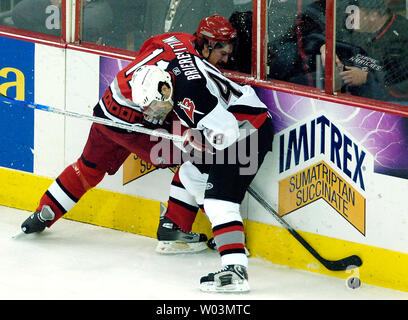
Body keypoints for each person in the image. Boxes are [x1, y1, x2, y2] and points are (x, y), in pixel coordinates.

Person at [20, 15, 238, 254]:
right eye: (222, 52)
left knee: (89, 167)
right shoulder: (193, 75)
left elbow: (144, 54)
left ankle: (43, 213)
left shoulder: (175, 38)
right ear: (206, 44)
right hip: (133, 124)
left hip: (108, 104)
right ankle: (178, 228)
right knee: (198, 159)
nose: (226, 59)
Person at [156, 39, 274, 291]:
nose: (157, 109)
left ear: (163, 88)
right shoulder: (170, 69)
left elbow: (227, 134)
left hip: (248, 131)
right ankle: (227, 237)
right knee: (191, 173)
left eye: (157, 103)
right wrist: (196, 132)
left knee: (220, 201)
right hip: (236, 123)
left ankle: (235, 270)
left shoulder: (190, 95)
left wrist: (200, 139)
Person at [320, 0, 408, 103]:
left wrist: (367, 77)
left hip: (385, 102)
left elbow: (401, 85)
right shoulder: (354, 24)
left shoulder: (402, 36)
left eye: (353, 13)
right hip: (349, 92)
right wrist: (326, 48)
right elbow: (333, 37)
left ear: (373, 16)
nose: (349, 19)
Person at [11, 0, 113, 42]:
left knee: (88, 27)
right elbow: (20, 14)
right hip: (61, 6)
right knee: (21, 12)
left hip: (94, 4)